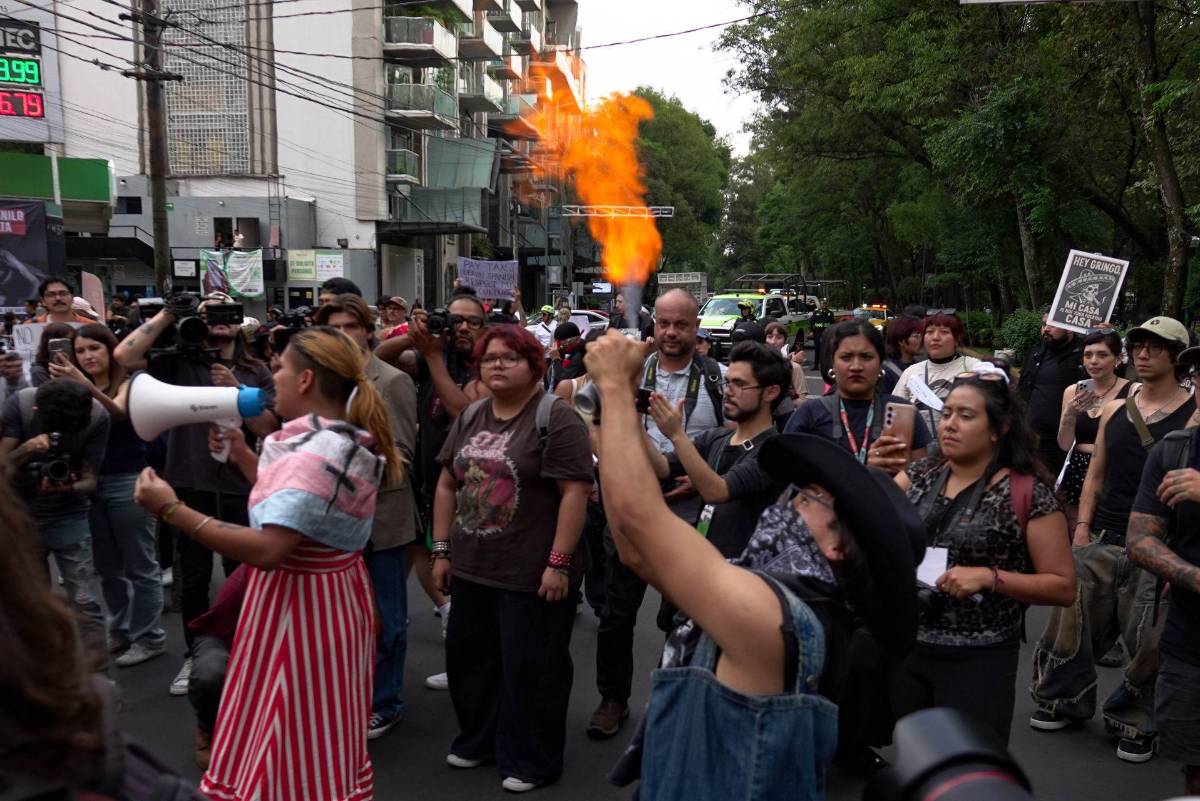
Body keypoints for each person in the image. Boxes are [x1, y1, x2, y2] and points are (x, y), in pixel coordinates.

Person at [584, 330, 922, 801]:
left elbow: (638, 521)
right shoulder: (776, 593)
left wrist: (617, 388)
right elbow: (633, 549)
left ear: (839, 549)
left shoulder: (780, 617)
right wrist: (609, 413)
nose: (789, 500)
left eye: (810, 500)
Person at [132, 326, 402, 801]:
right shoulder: (340, 439)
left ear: (305, 380)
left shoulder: (315, 451)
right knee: (318, 726)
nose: (273, 377)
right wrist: (243, 456)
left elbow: (269, 548)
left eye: (280, 368)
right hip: (331, 600)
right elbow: (302, 510)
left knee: (285, 726)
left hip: (300, 612)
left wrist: (172, 510)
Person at [431, 325, 593, 793]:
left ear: (534, 365)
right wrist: (441, 550)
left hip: (532, 572)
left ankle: (533, 759)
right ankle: (479, 740)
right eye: (488, 359)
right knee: (471, 662)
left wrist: (558, 563)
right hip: (472, 567)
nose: (496, 365)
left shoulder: (555, 417)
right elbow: (447, 483)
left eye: (509, 357)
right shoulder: (472, 414)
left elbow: (575, 492)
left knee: (533, 669)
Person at [1031, 316, 1196, 763]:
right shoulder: (1117, 408)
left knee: (1148, 639)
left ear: (1178, 357)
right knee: (1071, 623)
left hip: (1160, 543)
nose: (1143, 354)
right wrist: (1082, 529)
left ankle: (1134, 719)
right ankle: (1062, 699)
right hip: (1103, 532)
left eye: (1155, 347)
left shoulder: (1194, 412)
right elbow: (1096, 474)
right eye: (1138, 345)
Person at [893, 371, 1076, 745]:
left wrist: (990, 578)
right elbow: (872, 527)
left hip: (980, 660)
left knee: (969, 765)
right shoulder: (919, 475)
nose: (950, 424)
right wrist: (874, 474)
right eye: (946, 413)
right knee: (917, 762)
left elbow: (1063, 587)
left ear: (999, 429)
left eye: (966, 415)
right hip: (910, 650)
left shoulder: (1028, 495)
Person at [114, 293, 278, 696]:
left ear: (240, 320)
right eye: (209, 313)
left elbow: (269, 428)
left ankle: (247, 650)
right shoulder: (177, 364)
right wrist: (170, 314)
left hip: (240, 486)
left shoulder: (255, 370)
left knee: (245, 577)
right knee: (192, 581)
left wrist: (237, 391)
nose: (219, 320)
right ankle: (197, 655)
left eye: (227, 312)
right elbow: (124, 356)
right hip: (188, 483)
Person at [0, 479, 205, 801]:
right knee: (109, 574)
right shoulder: (90, 762)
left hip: (96, 495)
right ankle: (123, 638)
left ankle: (146, 637)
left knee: (122, 576)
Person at [589, 289, 724, 740]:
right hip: (630, 501)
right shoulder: (630, 370)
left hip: (688, 510)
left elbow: (730, 440)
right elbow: (590, 417)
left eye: (680, 324)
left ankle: (673, 703)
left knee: (683, 617)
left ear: (696, 328)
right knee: (616, 613)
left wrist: (699, 479)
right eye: (663, 323)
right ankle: (613, 699)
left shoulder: (716, 378)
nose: (670, 332)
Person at [375, 287, 491, 690]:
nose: (463, 328)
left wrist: (432, 356)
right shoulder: (431, 357)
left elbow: (463, 413)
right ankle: (460, 646)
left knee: (472, 582)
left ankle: (474, 667)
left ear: (485, 327)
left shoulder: (490, 366)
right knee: (429, 557)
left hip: (475, 494)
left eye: (473, 321)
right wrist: (414, 337)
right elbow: (376, 360)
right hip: (431, 485)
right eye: (455, 320)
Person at [314, 294, 418, 739]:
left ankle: (384, 701)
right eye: (333, 327)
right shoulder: (316, 380)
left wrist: (344, 459)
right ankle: (346, 695)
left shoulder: (392, 380)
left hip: (382, 516)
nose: (343, 335)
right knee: (336, 619)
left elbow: (403, 455)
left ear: (368, 331)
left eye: (351, 327)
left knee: (386, 617)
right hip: (326, 518)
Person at [49, 323, 165, 667]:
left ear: (110, 351)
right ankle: (122, 630)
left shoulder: (129, 382)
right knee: (107, 568)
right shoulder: (71, 387)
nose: (87, 356)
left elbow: (116, 412)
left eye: (94, 348)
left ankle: (149, 637)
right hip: (89, 485)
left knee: (140, 565)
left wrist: (82, 385)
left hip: (127, 480)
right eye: (80, 351)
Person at [1127, 344, 1200, 796]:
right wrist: (1192, 576)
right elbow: (1140, 539)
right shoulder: (1176, 452)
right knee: (1194, 769)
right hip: (1189, 643)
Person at [643, 340, 788, 560]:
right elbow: (662, 467)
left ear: (771, 392)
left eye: (739, 384)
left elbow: (718, 491)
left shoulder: (773, 452)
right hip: (707, 564)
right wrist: (634, 422)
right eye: (727, 382)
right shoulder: (716, 438)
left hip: (745, 572)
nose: (728, 391)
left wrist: (676, 435)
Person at [0, 379, 110, 641]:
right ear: (37, 411)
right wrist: (26, 449)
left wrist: (69, 487)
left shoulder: (98, 417)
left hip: (68, 514)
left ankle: (95, 665)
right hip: (20, 514)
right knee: (29, 603)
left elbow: (91, 480)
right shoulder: (21, 405)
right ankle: (43, 664)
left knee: (84, 602)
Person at [786, 320, 931, 474]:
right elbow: (786, 476)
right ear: (833, 362)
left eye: (866, 357)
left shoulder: (904, 414)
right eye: (846, 357)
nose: (856, 366)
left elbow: (922, 479)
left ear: (880, 362)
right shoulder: (809, 414)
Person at [1055, 329, 1132, 524]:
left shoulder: (1132, 392)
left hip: (1112, 472)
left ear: (1118, 359)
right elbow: (1065, 444)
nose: (1093, 361)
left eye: (1102, 355)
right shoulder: (1073, 391)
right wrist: (1070, 413)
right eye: (1088, 355)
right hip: (1076, 470)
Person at [188, 564, 249, 770]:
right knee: (210, 673)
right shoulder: (253, 571)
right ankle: (207, 729)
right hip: (222, 637)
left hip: (266, 644)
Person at [894, 313, 981, 444]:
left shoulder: (973, 367)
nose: (935, 337)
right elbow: (896, 413)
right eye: (929, 332)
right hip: (922, 449)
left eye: (944, 332)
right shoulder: (911, 372)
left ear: (956, 339)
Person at [1019, 315, 1085, 475]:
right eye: (1043, 324)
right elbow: (1022, 391)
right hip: (1028, 437)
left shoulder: (1084, 356)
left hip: (1061, 444)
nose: (1046, 329)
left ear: (1069, 329)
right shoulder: (1035, 353)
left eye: (1052, 325)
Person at [766, 320, 809, 405]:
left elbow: (803, 401)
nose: (773, 341)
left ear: (784, 341)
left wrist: (780, 403)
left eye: (779, 337)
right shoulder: (756, 365)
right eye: (770, 337)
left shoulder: (794, 367)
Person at [24, 277, 97, 325]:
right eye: (51, 294)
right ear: (43, 301)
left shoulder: (91, 326)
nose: (58, 298)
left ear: (72, 298)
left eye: (63, 293)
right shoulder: (30, 326)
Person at [883, 315, 924, 394]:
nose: (922, 340)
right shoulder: (886, 371)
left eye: (922, 335)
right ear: (901, 341)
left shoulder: (919, 367)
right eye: (916, 336)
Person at [31, 322, 76, 387]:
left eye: (72, 342)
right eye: (64, 343)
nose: (69, 346)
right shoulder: (39, 371)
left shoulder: (79, 362)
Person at [546, 321, 584, 390]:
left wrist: (556, 359)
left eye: (557, 342)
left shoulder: (578, 355)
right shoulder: (567, 351)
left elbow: (563, 380)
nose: (555, 345)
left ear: (568, 341)